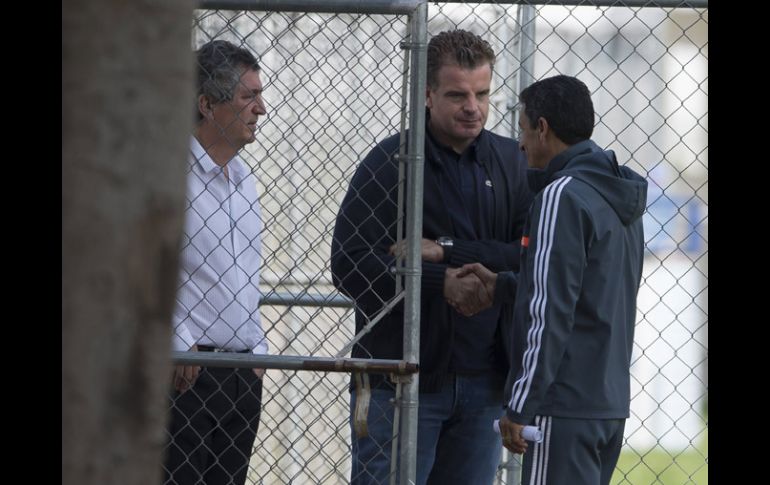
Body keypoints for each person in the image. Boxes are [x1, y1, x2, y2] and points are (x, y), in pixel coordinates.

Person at [330, 29, 533, 485]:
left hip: (485, 381)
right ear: (426, 94)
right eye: (458, 94)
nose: (473, 107)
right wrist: (439, 281)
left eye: (482, 93)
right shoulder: (390, 163)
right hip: (403, 380)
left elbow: (530, 256)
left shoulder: (511, 162)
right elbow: (348, 262)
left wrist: (450, 252)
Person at [456, 74, 648, 485]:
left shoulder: (561, 194)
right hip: (606, 405)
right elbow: (591, 289)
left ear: (542, 128)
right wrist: (506, 285)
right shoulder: (618, 191)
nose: (520, 144)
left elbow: (551, 310)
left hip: (560, 405)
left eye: (523, 130)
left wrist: (519, 404)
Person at [163, 39, 269, 485]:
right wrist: (177, 338)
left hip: (243, 376)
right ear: (206, 104)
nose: (261, 109)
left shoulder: (244, 182)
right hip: (186, 375)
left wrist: (257, 349)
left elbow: (245, 276)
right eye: (248, 96)